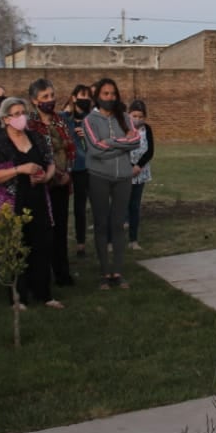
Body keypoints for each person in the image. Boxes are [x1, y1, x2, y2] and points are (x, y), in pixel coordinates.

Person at [0, 97, 63, 309]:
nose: (22, 117)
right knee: (16, 248)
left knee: (41, 246)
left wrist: (45, 177)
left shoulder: (36, 138)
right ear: (5, 118)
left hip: (37, 199)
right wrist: (19, 169)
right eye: (16, 114)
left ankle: (44, 293)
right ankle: (17, 297)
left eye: (23, 112)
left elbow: (50, 163)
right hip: (12, 202)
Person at [82, 78, 141, 290]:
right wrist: (122, 145)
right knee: (101, 224)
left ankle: (118, 271)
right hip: (99, 176)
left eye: (113, 94)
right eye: (105, 94)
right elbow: (96, 149)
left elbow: (136, 141)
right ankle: (104, 272)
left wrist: (112, 143)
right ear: (98, 96)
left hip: (123, 176)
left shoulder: (125, 117)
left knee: (118, 224)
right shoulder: (90, 120)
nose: (110, 97)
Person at [27, 78, 76, 287]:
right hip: (41, 185)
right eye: (45, 97)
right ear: (34, 101)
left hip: (62, 183)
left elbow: (70, 147)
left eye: (52, 95)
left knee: (60, 230)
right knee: (42, 231)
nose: (50, 100)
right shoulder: (30, 124)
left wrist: (68, 173)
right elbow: (35, 154)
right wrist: (52, 174)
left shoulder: (60, 120)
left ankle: (62, 273)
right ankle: (40, 274)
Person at [63, 84, 92, 259]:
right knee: (62, 208)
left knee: (80, 208)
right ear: (74, 97)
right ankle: (62, 240)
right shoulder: (64, 118)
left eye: (88, 96)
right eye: (82, 95)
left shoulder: (92, 119)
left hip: (83, 167)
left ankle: (81, 244)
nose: (85, 98)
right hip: (66, 168)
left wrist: (86, 137)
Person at [126, 99, 154, 251]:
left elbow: (150, 151)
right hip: (125, 172)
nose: (137, 119)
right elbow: (120, 148)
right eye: (134, 115)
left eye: (140, 116)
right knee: (120, 205)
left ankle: (133, 240)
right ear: (129, 115)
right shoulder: (123, 128)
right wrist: (129, 167)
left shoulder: (147, 129)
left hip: (140, 173)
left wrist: (138, 166)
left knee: (135, 206)